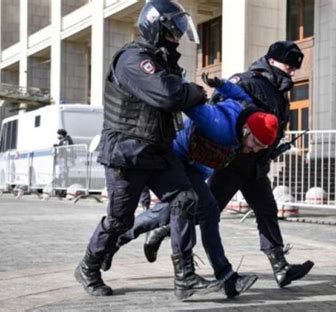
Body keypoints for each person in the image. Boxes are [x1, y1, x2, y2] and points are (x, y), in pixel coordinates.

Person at [74, 0, 220, 300]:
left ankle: (185, 277)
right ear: (156, 27)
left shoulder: (162, 60)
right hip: (127, 152)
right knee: (119, 220)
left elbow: (172, 93)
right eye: (173, 29)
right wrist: (193, 92)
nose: (177, 36)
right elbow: (168, 95)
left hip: (157, 150)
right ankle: (88, 267)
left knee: (185, 198)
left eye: (179, 30)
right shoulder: (133, 59)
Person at [146, 41, 315, 289]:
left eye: (294, 69)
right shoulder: (245, 81)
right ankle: (160, 228)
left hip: (257, 165)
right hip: (231, 164)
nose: (291, 72)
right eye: (288, 66)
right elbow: (218, 109)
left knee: (266, 211)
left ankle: (280, 267)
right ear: (272, 61)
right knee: (205, 210)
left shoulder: (279, 92)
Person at [100, 78, 278, 298]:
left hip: (192, 165)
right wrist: (183, 85)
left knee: (183, 211)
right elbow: (186, 102)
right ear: (246, 130)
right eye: (255, 144)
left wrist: (220, 83)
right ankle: (225, 276)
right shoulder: (218, 126)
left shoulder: (250, 110)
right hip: (175, 160)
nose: (253, 151)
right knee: (205, 210)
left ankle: (118, 241)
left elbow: (239, 93)